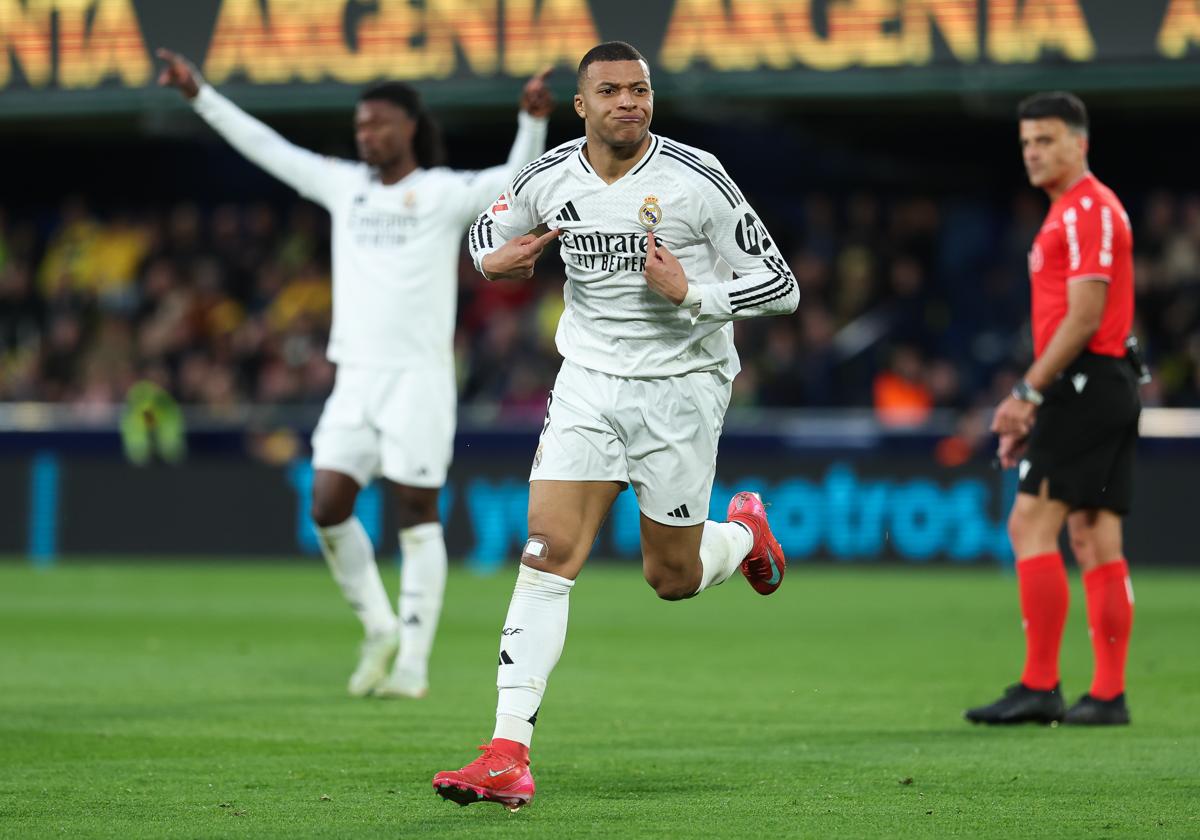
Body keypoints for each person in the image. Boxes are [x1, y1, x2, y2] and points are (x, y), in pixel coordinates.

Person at [431, 41, 798, 811]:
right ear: (582, 105)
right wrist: (493, 264)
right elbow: (483, 234)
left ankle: (741, 537)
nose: (628, 102)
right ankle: (506, 753)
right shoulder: (547, 176)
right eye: (611, 91)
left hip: (682, 388)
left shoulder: (698, 179)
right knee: (546, 553)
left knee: (671, 577)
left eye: (640, 89)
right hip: (588, 384)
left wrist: (692, 292)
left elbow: (782, 285)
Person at [156, 49, 554, 700]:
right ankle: (378, 625)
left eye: (378, 123)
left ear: (409, 127)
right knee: (327, 503)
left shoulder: (443, 192)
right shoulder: (346, 186)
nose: (366, 133)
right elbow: (266, 147)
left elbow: (514, 183)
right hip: (356, 377)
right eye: (360, 124)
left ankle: (413, 665)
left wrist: (531, 123)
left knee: (416, 510)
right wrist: (199, 93)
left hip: (419, 376)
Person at [966, 92, 1139, 727]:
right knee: (1094, 535)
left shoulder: (1085, 211)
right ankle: (1109, 695)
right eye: (1027, 143)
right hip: (1103, 381)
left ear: (1079, 142)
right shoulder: (1075, 212)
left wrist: (1026, 394)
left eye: (1046, 140)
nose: (1034, 153)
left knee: (1029, 526)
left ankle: (1041, 685)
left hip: (1086, 381)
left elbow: (1085, 316)